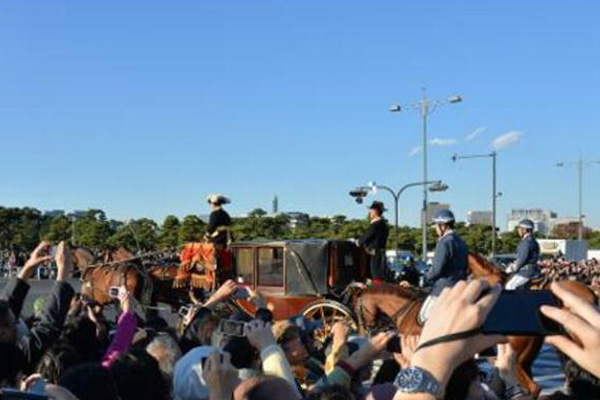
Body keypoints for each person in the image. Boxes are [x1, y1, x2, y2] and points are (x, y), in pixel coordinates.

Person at [419, 210, 468, 323]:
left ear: (442, 226)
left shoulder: (444, 242)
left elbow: (436, 270)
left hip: (443, 289)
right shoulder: (461, 242)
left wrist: (424, 279)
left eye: (436, 225)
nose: (436, 229)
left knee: (423, 317)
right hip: (460, 287)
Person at [357, 201, 390, 284]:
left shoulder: (375, 225)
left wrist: (357, 242)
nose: (369, 213)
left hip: (374, 255)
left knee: (375, 276)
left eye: (371, 211)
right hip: (380, 254)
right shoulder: (384, 225)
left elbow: (362, 240)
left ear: (375, 211)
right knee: (380, 276)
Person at [505, 219, 541, 290]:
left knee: (510, 286)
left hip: (526, 272)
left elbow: (522, 259)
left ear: (525, 230)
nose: (518, 230)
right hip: (530, 269)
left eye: (519, 228)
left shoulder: (526, 242)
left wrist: (512, 268)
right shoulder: (532, 240)